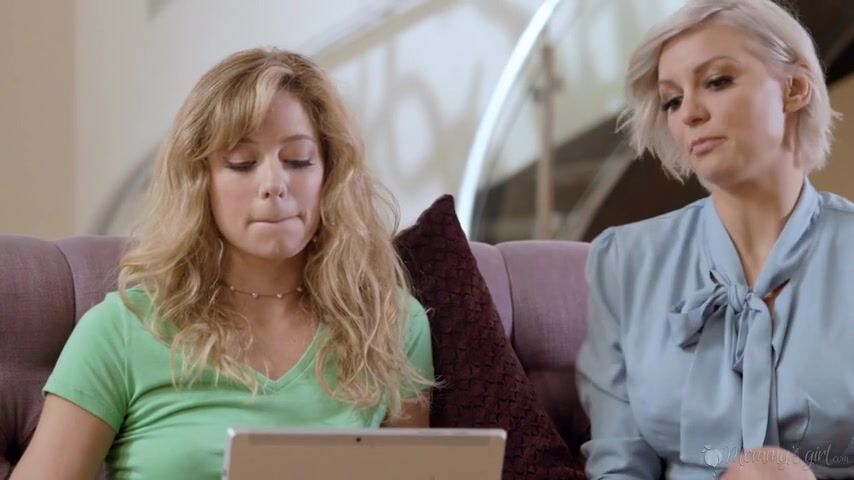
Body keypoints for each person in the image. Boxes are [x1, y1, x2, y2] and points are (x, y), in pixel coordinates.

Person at [11, 48, 434, 480]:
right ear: (201, 183)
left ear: (329, 175)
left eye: (298, 160)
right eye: (242, 163)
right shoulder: (120, 330)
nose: (274, 184)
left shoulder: (391, 323)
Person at [576, 0, 854, 478]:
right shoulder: (624, 261)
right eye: (672, 100)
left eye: (717, 81)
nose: (690, 113)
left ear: (794, 89)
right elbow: (618, 462)